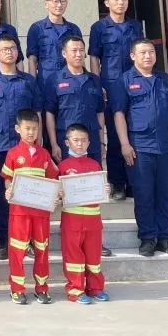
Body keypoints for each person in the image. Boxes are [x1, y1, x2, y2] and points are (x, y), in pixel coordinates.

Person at [112, 38, 168, 257]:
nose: (148, 56)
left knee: (167, 194)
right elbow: (119, 114)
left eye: (151, 52)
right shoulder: (125, 80)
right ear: (132, 56)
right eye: (143, 52)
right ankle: (147, 238)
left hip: (167, 147)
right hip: (140, 148)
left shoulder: (165, 80)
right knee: (144, 194)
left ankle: (164, 238)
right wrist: (124, 144)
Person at [0, 33, 41, 260]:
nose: (9, 52)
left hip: (25, 146)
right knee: (3, 196)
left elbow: (37, 112)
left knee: (28, 195)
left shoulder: (28, 81)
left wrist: (39, 140)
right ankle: (3, 240)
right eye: (4, 49)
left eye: (12, 48)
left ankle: (29, 239)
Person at [43, 35, 111, 257]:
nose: (79, 54)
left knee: (91, 191)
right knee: (68, 192)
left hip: (91, 144)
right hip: (66, 144)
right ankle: (70, 238)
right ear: (64, 54)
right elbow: (50, 113)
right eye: (74, 50)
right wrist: (54, 143)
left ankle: (94, 239)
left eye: (82, 50)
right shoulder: (54, 80)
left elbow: (100, 113)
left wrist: (101, 140)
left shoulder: (94, 80)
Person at [88, 0, 143, 201]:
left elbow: (140, 53)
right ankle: (117, 182)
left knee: (134, 132)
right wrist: (97, 83)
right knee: (113, 134)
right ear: (107, 3)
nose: (121, 2)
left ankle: (133, 181)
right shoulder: (99, 27)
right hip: (110, 86)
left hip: (133, 84)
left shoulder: (134, 26)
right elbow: (94, 56)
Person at [1, 110, 59, 305]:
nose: (31, 132)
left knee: (42, 249)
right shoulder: (12, 153)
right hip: (19, 212)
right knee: (17, 250)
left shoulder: (44, 154)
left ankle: (41, 287)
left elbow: (53, 179)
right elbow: (8, 179)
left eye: (34, 128)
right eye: (27, 128)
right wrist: (9, 190)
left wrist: (55, 196)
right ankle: (17, 289)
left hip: (41, 213)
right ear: (18, 129)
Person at [57, 124, 109, 304]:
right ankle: (76, 290)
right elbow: (56, 195)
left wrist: (105, 190)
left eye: (83, 140)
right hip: (72, 221)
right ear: (67, 142)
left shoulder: (95, 165)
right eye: (75, 140)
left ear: (89, 142)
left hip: (93, 220)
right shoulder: (63, 167)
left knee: (94, 257)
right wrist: (59, 193)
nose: (79, 144)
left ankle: (95, 288)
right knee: (73, 257)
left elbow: (100, 191)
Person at [25, 0, 82, 83]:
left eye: (62, 1)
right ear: (46, 4)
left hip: (70, 81)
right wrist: (32, 84)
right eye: (55, 1)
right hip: (45, 81)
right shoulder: (37, 28)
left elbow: (80, 57)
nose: (59, 5)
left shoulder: (73, 29)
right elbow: (32, 59)